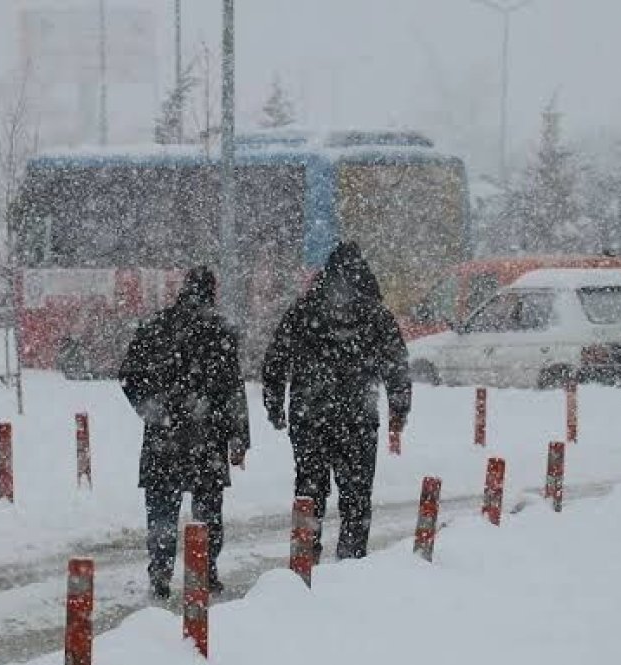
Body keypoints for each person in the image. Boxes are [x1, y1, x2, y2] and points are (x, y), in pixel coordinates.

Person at [262, 242, 411, 561]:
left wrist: (274, 403)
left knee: (308, 489)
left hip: (309, 414)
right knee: (356, 494)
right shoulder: (376, 315)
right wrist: (399, 409)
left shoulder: (303, 310)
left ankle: (304, 555)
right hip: (358, 417)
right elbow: (396, 365)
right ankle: (351, 558)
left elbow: (275, 360)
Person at [118, 266, 250, 601]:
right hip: (207, 438)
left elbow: (128, 375)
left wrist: (153, 412)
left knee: (162, 507)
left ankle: (160, 572)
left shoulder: (155, 327)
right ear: (212, 293)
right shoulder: (220, 332)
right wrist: (238, 438)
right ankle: (205, 570)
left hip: (163, 438)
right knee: (207, 510)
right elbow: (234, 390)